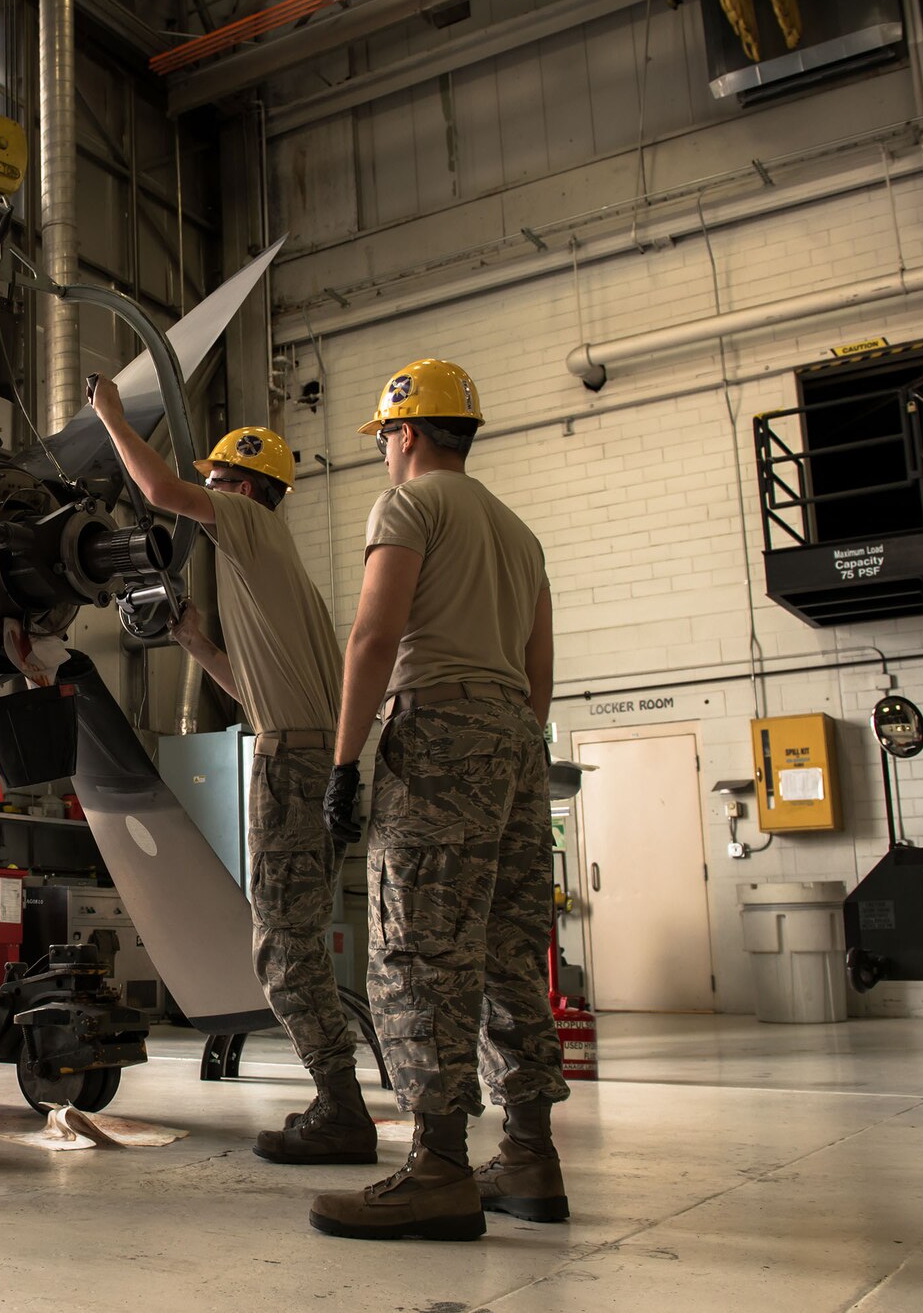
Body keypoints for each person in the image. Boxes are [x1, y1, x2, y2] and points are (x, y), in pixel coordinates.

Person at [308, 358, 567, 1243]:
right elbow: (540, 674)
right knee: (506, 950)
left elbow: (374, 635)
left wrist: (345, 764)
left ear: (408, 432)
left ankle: (440, 1166)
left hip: (441, 728)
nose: (383, 450)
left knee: (418, 949)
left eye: (384, 435)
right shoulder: (519, 532)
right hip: (517, 741)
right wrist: (516, 750)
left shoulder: (409, 506)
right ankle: (530, 1153)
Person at [87, 377, 374, 1166]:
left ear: (242, 488)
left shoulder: (245, 522)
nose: (201, 499)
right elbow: (255, 690)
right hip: (318, 755)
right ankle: (339, 1095)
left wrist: (112, 417)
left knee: (280, 947)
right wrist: (192, 640)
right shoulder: (279, 576)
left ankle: (341, 1105)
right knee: (297, 940)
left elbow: (157, 487)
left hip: (292, 766)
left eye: (213, 482)